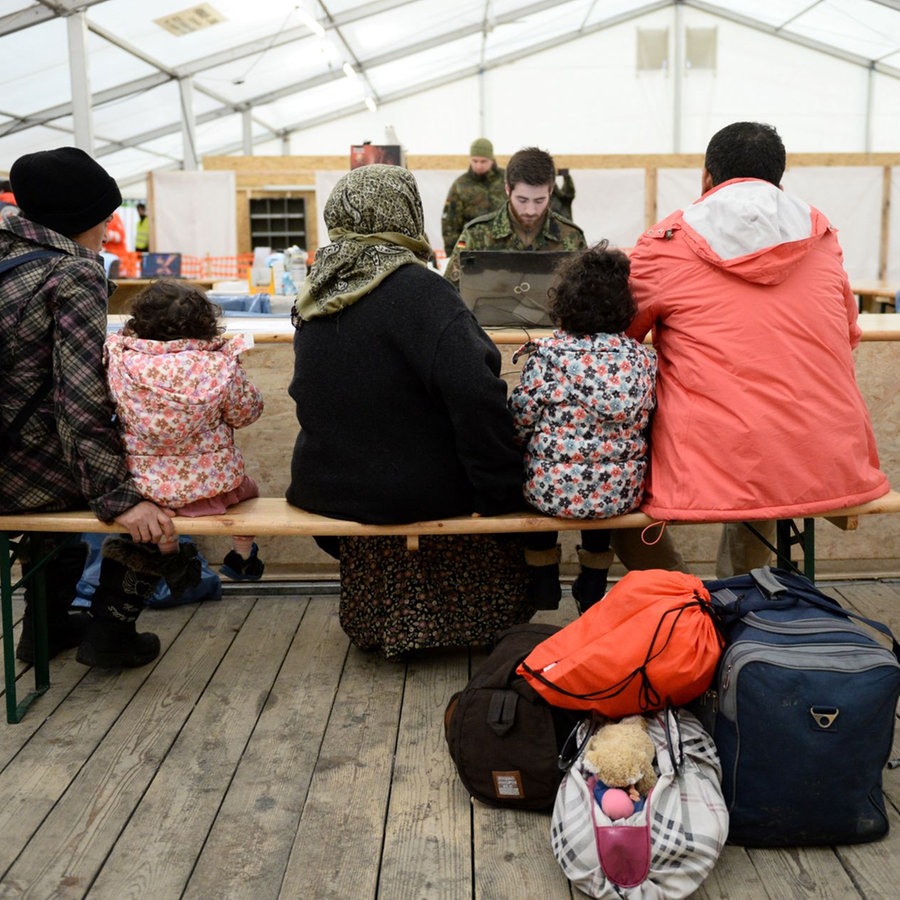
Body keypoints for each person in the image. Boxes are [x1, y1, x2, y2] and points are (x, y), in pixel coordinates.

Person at [286, 163, 533, 658]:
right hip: (411, 492)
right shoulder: (420, 291)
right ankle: (465, 622)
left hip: (331, 488)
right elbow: (477, 395)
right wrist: (502, 491)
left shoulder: (319, 291)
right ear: (405, 213)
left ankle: (384, 623)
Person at [626, 121, 890, 576]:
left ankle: (683, 597)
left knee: (598, 475)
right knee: (760, 456)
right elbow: (849, 333)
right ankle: (744, 598)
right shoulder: (821, 236)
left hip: (715, 454)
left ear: (706, 178)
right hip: (825, 455)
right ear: (779, 183)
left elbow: (619, 335)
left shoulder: (665, 243)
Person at [1, 146, 177, 669]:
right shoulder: (72, 275)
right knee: (167, 489)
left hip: (7, 457)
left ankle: (47, 627)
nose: (111, 224)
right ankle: (112, 632)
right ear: (77, 217)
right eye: (105, 215)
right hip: (21, 473)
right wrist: (123, 498)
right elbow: (78, 400)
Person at [509, 241, 657, 612]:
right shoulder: (640, 358)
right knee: (602, 468)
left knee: (538, 466)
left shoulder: (546, 355)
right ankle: (592, 581)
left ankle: (543, 577)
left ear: (565, 300)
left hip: (550, 493)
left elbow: (520, 421)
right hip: (621, 493)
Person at [104, 279, 266, 581]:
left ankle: (171, 556)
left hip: (147, 493)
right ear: (206, 323)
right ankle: (242, 555)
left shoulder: (120, 362)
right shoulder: (219, 364)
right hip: (214, 491)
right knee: (251, 490)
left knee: (164, 513)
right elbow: (245, 414)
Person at [443, 147, 588, 289]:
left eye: (539, 201)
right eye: (522, 200)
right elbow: (449, 295)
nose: (530, 211)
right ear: (507, 189)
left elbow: (586, 297)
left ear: (550, 191)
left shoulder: (572, 237)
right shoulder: (476, 235)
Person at [440, 138, 507, 257]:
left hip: (505, 248)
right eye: (475, 161)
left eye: (483, 161)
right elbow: (450, 224)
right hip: (472, 249)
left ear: (492, 160)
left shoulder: (506, 180)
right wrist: (453, 255)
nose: (478, 165)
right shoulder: (460, 185)